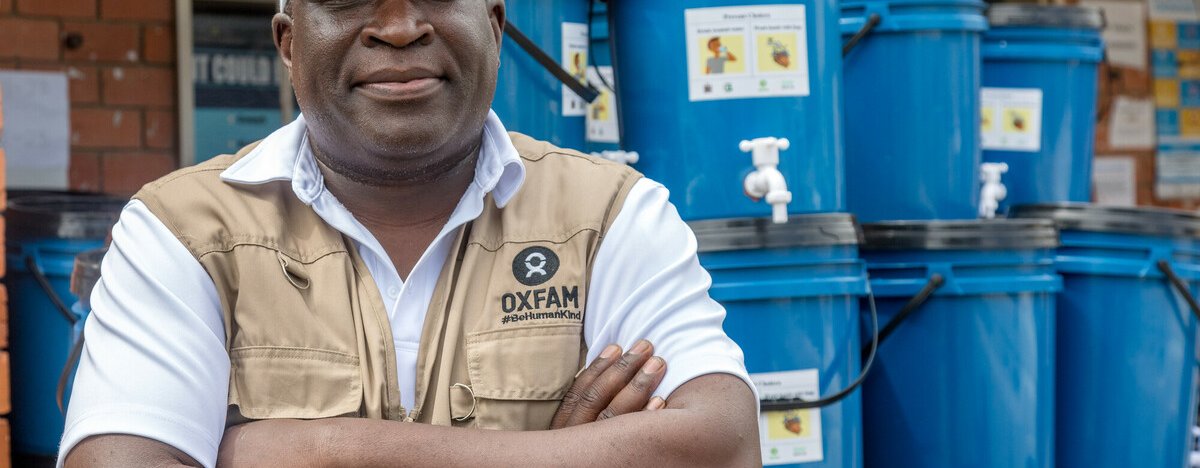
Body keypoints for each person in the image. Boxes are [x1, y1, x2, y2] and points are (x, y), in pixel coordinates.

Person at [59, 1, 761, 467]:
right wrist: (563, 455)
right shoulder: (179, 231)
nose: (398, 27)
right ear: (288, 40)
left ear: (493, 23)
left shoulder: (610, 214)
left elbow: (723, 447)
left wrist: (290, 450)